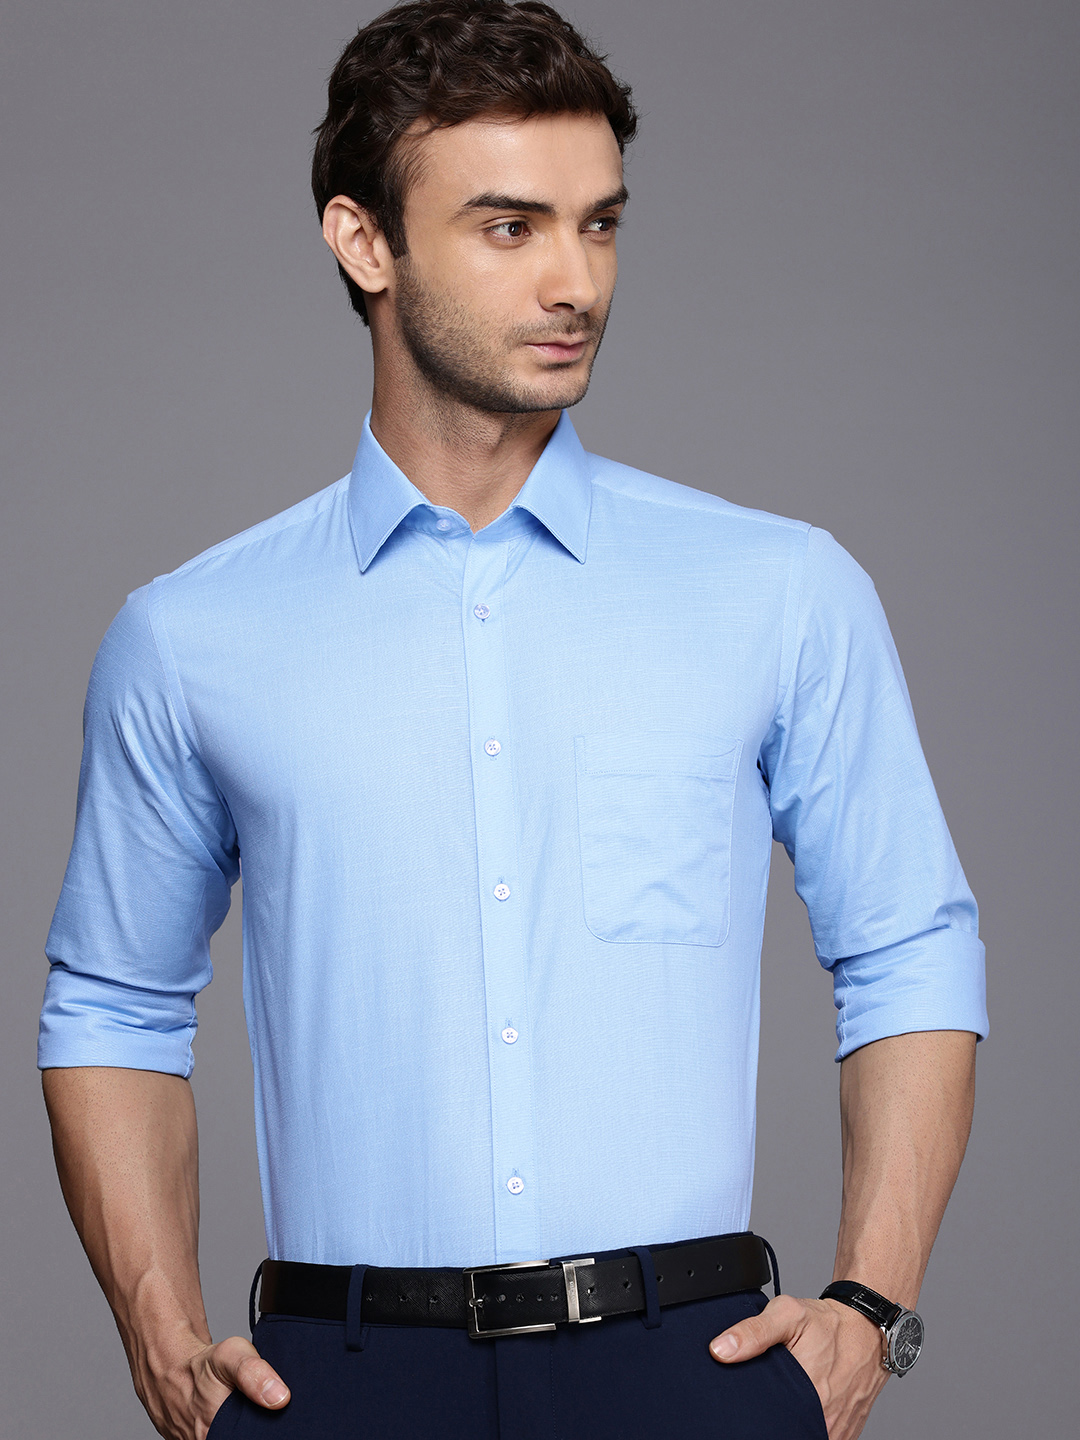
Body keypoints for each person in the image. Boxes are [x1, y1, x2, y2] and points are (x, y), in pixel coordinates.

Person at [38, 3, 987, 1438]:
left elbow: (909, 946)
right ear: (365, 242)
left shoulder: (783, 593)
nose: (575, 281)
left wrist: (868, 1306)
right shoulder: (191, 638)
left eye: (599, 224)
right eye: (509, 228)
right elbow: (114, 1003)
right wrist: (159, 1331)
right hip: (343, 1377)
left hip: (688, 1368)